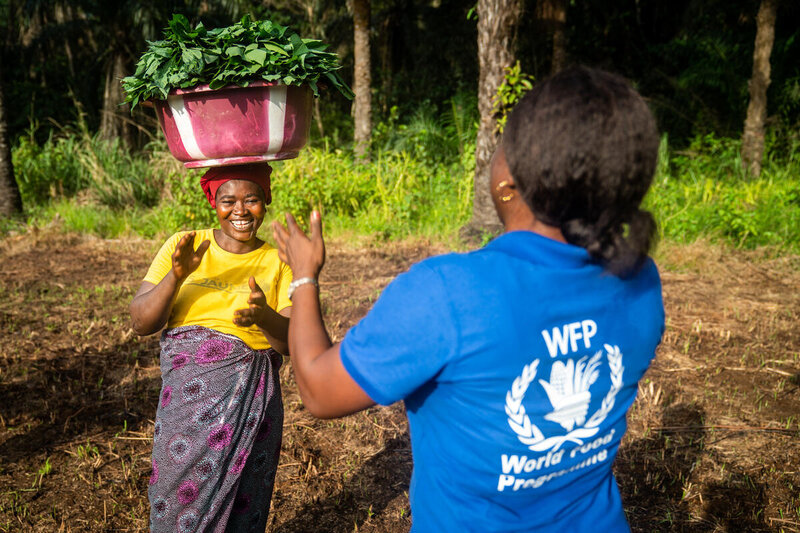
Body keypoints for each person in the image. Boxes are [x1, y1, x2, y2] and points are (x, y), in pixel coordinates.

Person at [271, 66, 665, 532]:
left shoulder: (449, 293)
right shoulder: (640, 281)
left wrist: (302, 277)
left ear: (508, 182)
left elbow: (318, 389)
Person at [130, 163, 292, 532]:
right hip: (187, 401)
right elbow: (140, 322)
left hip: (253, 398)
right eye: (228, 200)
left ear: (265, 201)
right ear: (212, 202)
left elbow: (289, 344)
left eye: (251, 199)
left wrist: (264, 316)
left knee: (244, 501)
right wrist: (176, 275)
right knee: (176, 493)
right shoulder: (183, 244)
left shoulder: (277, 261)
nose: (240, 210)